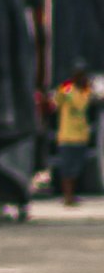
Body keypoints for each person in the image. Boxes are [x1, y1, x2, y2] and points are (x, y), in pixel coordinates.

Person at [55, 59, 93, 207]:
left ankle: (72, 195)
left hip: (80, 136)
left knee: (77, 168)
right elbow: (57, 100)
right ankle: (67, 196)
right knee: (67, 168)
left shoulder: (85, 90)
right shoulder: (67, 88)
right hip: (67, 135)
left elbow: (85, 104)